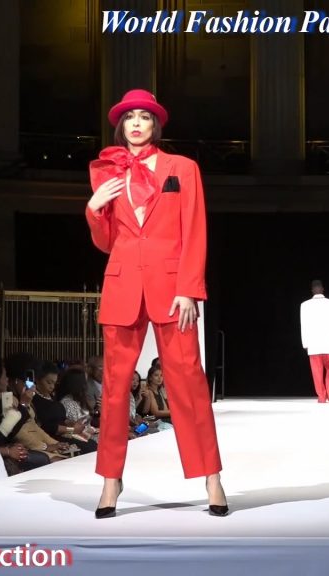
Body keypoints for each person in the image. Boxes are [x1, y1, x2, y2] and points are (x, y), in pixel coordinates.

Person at [85, 88, 226, 519]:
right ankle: (110, 481)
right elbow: (107, 242)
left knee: (189, 383)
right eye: (129, 117)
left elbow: (194, 229)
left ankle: (212, 478)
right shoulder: (108, 171)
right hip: (123, 286)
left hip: (172, 288)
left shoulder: (181, 168)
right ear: (120, 126)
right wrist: (94, 209)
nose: (136, 124)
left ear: (155, 124)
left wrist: (189, 287)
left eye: (144, 117)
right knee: (114, 390)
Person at [299, 280, 329, 403]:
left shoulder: (305, 305)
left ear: (312, 290)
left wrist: (305, 343)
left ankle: (322, 397)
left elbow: (304, 326)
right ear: (322, 289)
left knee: (317, 372)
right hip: (328, 343)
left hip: (314, 345)